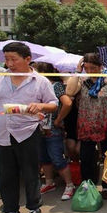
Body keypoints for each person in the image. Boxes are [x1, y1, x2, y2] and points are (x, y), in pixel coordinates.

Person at [0, 42, 57, 213]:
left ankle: (34, 208)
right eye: (6, 59)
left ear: (27, 59)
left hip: (27, 132)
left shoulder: (40, 81)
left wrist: (40, 107)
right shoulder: (0, 80)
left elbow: (53, 104)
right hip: (2, 134)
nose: (9, 63)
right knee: (7, 175)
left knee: (31, 172)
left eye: (13, 59)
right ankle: (10, 211)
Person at [67, 53, 107, 198]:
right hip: (86, 124)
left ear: (101, 66)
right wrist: (77, 71)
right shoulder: (82, 79)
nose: (90, 71)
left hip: (105, 123)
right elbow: (69, 92)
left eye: (93, 67)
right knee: (86, 158)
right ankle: (88, 186)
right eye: (87, 68)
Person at [34, 62, 74, 201]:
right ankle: (49, 182)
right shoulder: (36, 86)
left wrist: (58, 120)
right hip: (38, 128)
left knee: (57, 157)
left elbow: (67, 103)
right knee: (43, 157)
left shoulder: (55, 86)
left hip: (52, 129)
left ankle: (69, 185)